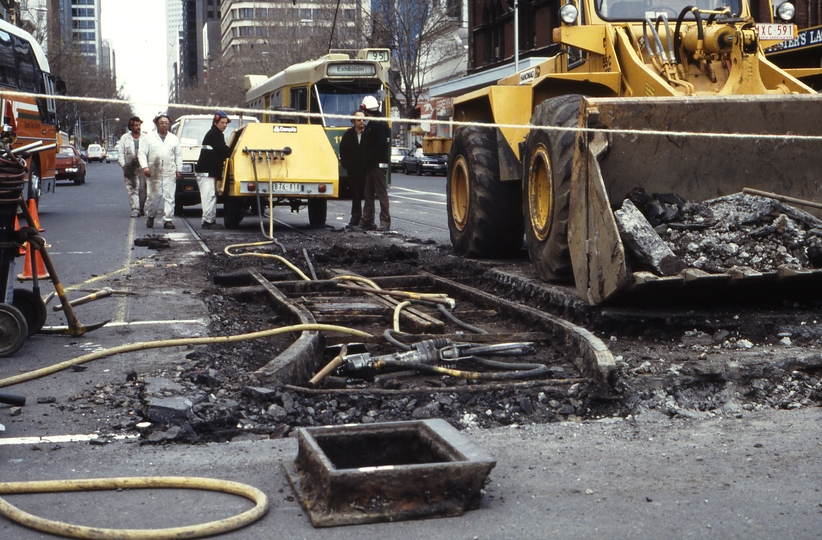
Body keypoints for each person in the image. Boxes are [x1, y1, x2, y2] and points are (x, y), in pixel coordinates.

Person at [138, 113, 182, 230]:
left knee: (169, 197)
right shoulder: (149, 138)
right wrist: (145, 167)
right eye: (161, 123)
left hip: (169, 171)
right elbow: (142, 153)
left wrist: (178, 170)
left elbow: (178, 155)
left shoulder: (173, 139)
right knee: (154, 197)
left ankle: (168, 220)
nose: (164, 125)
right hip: (154, 172)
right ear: (157, 124)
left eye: (166, 123)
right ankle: (151, 216)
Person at [195, 110, 232, 230]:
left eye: (226, 123)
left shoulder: (214, 133)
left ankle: (209, 220)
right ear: (216, 122)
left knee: (210, 196)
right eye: (222, 122)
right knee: (209, 196)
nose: (225, 125)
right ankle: (208, 222)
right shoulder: (215, 134)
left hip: (207, 172)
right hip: (206, 172)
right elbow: (224, 151)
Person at [359, 95, 391, 231]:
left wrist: (367, 157)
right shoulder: (375, 122)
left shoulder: (377, 123)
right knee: (369, 192)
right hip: (372, 164)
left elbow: (379, 144)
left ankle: (384, 221)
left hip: (376, 164)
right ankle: (367, 219)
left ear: (366, 109)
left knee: (380, 192)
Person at [338, 110, 367, 230]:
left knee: (368, 196)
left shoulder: (368, 133)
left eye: (363, 119)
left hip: (367, 169)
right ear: (353, 121)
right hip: (354, 171)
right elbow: (343, 152)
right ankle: (355, 219)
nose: (362, 122)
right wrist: (347, 165)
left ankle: (367, 220)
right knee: (355, 195)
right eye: (359, 120)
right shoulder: (348, 135)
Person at [116, 116, 147, 218]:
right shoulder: (125, 138)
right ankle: (135, 209)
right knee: (133, 188)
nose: (138, 127)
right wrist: (124, 165)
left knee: (143, 189)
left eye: (139, 125)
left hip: (143, 167)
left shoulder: (146, 138)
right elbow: (120, 153)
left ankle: (141, 207)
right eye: (136, 125)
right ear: (131, 126)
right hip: (130, 167)